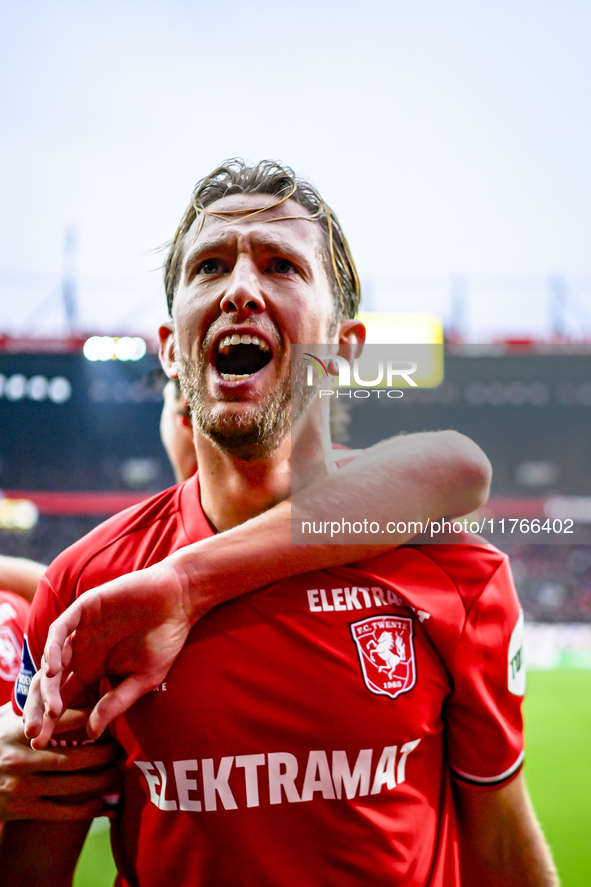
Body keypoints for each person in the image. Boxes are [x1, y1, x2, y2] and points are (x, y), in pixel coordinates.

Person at [6, 159, 556, 885]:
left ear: (345, 351)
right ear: (172, 348)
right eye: (210, 265)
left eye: (281, 265)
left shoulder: (460, 576)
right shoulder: (89, 589)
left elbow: (503, 850)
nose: (240, 288)